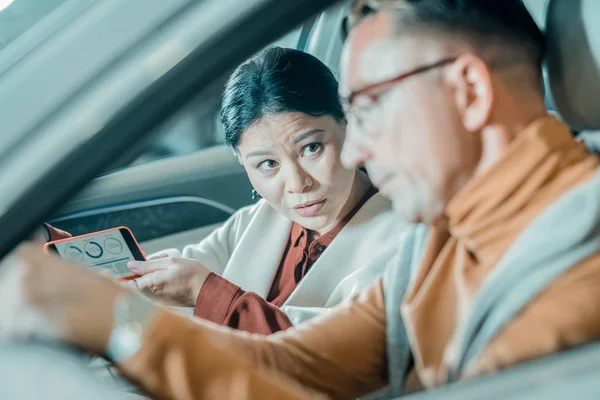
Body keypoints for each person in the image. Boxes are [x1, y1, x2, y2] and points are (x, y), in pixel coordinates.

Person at [3, 0, 600, 399]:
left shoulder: (574, 282)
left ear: (469, 90)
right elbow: (289, 365)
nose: (356, 148)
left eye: (367, 106)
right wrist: (111, 313)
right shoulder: (444, 236)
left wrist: (108, 319)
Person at [40, 47, 407, 336]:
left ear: (349, 123)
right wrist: (45, 243)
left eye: (311, 148)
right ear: (241, 162)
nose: (297, 185)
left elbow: (339, 352)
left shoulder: (404, 234)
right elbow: (154, 279)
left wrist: (208, 295)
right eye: (268, 165)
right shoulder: (254, 222)